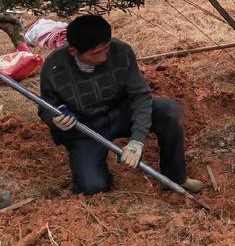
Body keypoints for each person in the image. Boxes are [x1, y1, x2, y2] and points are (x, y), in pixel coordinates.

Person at [38, 14, 203, 196]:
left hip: (121, 114)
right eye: (96, 53)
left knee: (169, 111)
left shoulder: (121, 52)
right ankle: (97, 174)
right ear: (73, 51)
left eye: (106, 49)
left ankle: (175, 177)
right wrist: (55, 119)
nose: (104, 57)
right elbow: (45, 107)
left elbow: (141, 96)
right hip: (86, 127)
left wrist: (137, 140)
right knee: (92, 187)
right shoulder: (54, 67)